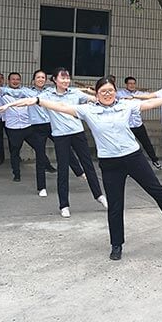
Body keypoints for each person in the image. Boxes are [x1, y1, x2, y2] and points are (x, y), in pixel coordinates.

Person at [0, 77, 162, 261]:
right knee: (115, 204)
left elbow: (149, 103)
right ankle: (116, 244)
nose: (107, 94)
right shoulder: (88, 110)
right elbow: (61, 106)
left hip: (134, 157)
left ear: (115, 91)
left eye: (111, 90)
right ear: (97, 94)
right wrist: (36, 101)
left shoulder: (126, 105)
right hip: (110, 163)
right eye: (103, 91)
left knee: (157, 189)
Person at [0, 70, 57, 195]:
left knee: (39, 147)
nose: (15, 81)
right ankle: (16, 174)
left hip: (28, 126)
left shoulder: (25, 92)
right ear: (8, 81)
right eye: (13, 79)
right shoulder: (4, 92)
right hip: (13, 127)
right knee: (15, 151)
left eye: (17, 79)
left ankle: (47, 166)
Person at [44, 67, 107, 216]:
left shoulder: (75, 93)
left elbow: (94, 99)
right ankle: (64, 205)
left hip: (77, 133)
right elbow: (28, 97)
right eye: (63, 78)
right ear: (55, 79)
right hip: (60, 136)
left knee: (88, 165)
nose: (66, 81)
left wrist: (101, 95)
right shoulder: (47, 95)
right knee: (63, 170)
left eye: (67, 78)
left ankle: (99, 195)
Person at [116, 76, 162, 169]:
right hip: (126, 125)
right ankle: (124, 166)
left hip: (138, 124)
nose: (132, 85)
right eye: (130, 83)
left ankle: (154, 160)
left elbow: (151, 96)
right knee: (125, 146)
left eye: (133, 83)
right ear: (126, 84)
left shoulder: (139, 94)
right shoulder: (120, 94)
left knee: (146, 143)